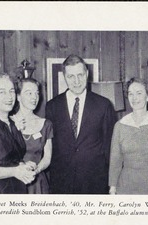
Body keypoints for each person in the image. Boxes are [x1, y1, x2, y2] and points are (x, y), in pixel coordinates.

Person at [46, 54, 116, 194]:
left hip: (95, 182)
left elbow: (110, 147)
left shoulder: (103, 105)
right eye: (71, 76)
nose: (76, 81)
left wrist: (112, 183)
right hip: (61, 183)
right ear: (64, 77)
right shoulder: (52, 106)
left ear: (87, 74)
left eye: (80, 75)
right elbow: (49, 146)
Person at [109, 78, 148, 194]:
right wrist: (112, 188)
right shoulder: (120, 125)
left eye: (139, 93)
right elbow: (115, 159)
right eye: (130, 94)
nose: (134, 98)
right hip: (125, 184)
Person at [11, 78, 53, 194]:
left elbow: (47, 157)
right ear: (18, 97)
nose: (34, 97)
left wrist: (36, 170)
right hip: (13, 180)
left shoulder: (46, 124)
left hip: (37, 182)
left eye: (36, 93)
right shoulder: (8, 123)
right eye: (29, 93)